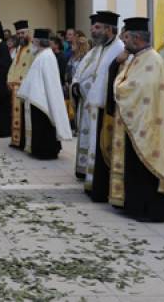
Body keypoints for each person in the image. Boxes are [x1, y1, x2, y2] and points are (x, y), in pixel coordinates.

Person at [109, 17, 164, 222]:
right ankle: (136, 207)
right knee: (135, 167)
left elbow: (140, 87)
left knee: (145, 167)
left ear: (137, 38)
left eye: (126, 38)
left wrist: (119, 87)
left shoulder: (153, 60)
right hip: (137, 123)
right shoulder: (138, 58)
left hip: (148, 125)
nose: (123, 42)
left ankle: (150, 210)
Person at [71, 11, 124, 201]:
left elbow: (103, 80)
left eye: (97, 27)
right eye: (93, 27)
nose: (93, 30)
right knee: (91, 141)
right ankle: (90, 177)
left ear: (109, 29)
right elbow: (83, 71)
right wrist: (76, 85)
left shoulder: (118, 49)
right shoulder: (98, 49)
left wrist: (83, 88)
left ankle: (99, 183)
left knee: (100, 145)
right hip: (90, 104)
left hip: (104, 107)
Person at [18, 29, 72, 159]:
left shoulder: (47, 56)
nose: (32, 44)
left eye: (34, 41)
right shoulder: (42, 55)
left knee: (44, 126)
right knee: (40, 126)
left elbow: (50, 81)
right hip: (37, 98)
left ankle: (46, 151)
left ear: (38, 42)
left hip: (43, 99)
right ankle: (39, 149)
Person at [8, 20, 34, 149]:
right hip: (16, 86)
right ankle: (17, 141)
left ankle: (25, 142)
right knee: (17, 115)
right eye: (18, 34)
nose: (20, 36)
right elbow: (14, 65)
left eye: (22, 33)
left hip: (27, 86)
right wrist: (9, 79)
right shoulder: (19, 47)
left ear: (28, 32)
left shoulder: (34, 47)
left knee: (25, 116)